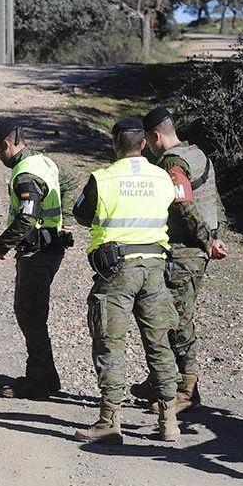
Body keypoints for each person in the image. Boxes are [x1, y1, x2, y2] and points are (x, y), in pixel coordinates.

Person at [71, 117, 183, 444]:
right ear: (144, 143)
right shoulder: (162, 176)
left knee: (110, 342)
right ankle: (169, 420)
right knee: (159, 343)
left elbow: (81, 214)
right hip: (154, 267)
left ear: (115, 143)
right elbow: (173, 206)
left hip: (116, 269)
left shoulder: (103, 179)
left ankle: (110, 421)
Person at [130, 107, 228, 414]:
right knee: (173, 315)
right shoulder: (200, 155)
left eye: (148, 140)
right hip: (199, 247)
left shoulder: (172, 162)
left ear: (156, 135)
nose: (147, 146)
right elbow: (215, 199)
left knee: (176, 319)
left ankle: (186, 389)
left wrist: (205, 240)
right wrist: (216, 235)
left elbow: (184, 205)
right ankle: (161, 380)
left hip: (184, 252)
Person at [0, 120, 80, 400]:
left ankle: (38, 381)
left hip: (37, 252)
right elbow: (71, 180)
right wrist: (67, 219)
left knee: (29, 312)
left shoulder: (25, 174)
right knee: (34, 311)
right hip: (49, 248)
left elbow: (27, 217)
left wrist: (3, 242)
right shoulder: (44, 162)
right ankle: (47, 376)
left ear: (6, 145)